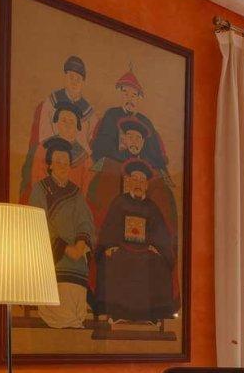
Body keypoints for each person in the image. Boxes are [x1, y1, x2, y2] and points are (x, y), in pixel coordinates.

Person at [92, 159, 178, 324]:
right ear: (129, 182)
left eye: (142, 180)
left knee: (159, 263)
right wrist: (109, 246)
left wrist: (159, 249)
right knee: (111, 260)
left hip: (146, 252)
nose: (138, 183)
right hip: (122, 250)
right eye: (135, 179)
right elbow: (109, 228)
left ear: (146, 185)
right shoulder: (119, 202)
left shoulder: (152, 207)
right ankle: (117, 313)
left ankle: (150, 315)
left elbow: (161, 234)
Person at [28, 137, 97, 329]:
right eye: (58, 162)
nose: (62, 166)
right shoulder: (40, 190)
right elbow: (38, 222)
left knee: (78, 270)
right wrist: (65, 248)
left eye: (66, 162)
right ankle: (62, 320)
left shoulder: (75, 192)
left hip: (76, 252)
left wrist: (80, 245)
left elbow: (85, 221)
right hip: (51, 252)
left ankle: (76, 318)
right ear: (50, 165)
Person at [19, 55, 93, 202]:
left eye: (71, 122)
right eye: (63, 120)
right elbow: (37, 185)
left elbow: (85, 193)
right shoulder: (43, 150)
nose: (67, 125)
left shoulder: (85, 159)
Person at [86, 115, 177, 232]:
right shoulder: (108, 163)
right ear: (124, 139)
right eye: (130, 136)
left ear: (143, 142)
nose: (134, 141)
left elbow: (165, 209)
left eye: (138, 138)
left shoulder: (154, 171)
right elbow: (95, 198)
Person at [88, 67, 170, 181]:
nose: (129, 99)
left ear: (139, 98)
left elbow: (153, 152)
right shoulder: (111, 115)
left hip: (141, 171)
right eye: (126, 94)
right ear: (120, 95)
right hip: (115, 166)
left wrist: (139, 163)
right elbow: (103, 145)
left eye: (134, 95)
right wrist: (125, 157)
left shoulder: (145, 122)